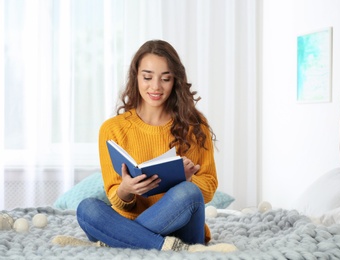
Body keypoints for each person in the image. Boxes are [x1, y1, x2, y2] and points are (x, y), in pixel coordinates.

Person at [53, 40, 236, 252]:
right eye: (147, 77)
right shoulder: (113, 129)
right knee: (87, 208)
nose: (156, 87)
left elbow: (208, 188)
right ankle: (161, 245)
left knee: (188, 191)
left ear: (175, 80)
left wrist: (188, 179)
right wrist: (126, 189)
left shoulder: (194, 125)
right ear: (136, 77)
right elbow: (117, 198)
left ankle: (118, 239)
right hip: (141, 223)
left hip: (183, 228)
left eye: (165, 78)